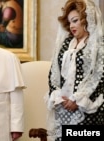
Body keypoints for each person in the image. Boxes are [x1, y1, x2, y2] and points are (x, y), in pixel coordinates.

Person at [45, 0, 104, 141]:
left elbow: (100, 77)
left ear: (86, 20)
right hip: (63, 109)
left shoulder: (98, 45)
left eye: (75, 20)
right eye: (69, 22)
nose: (71, 26)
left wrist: (77, 100)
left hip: (89, 112)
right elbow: (54, 71)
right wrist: (59, 96)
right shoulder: (66, 43)